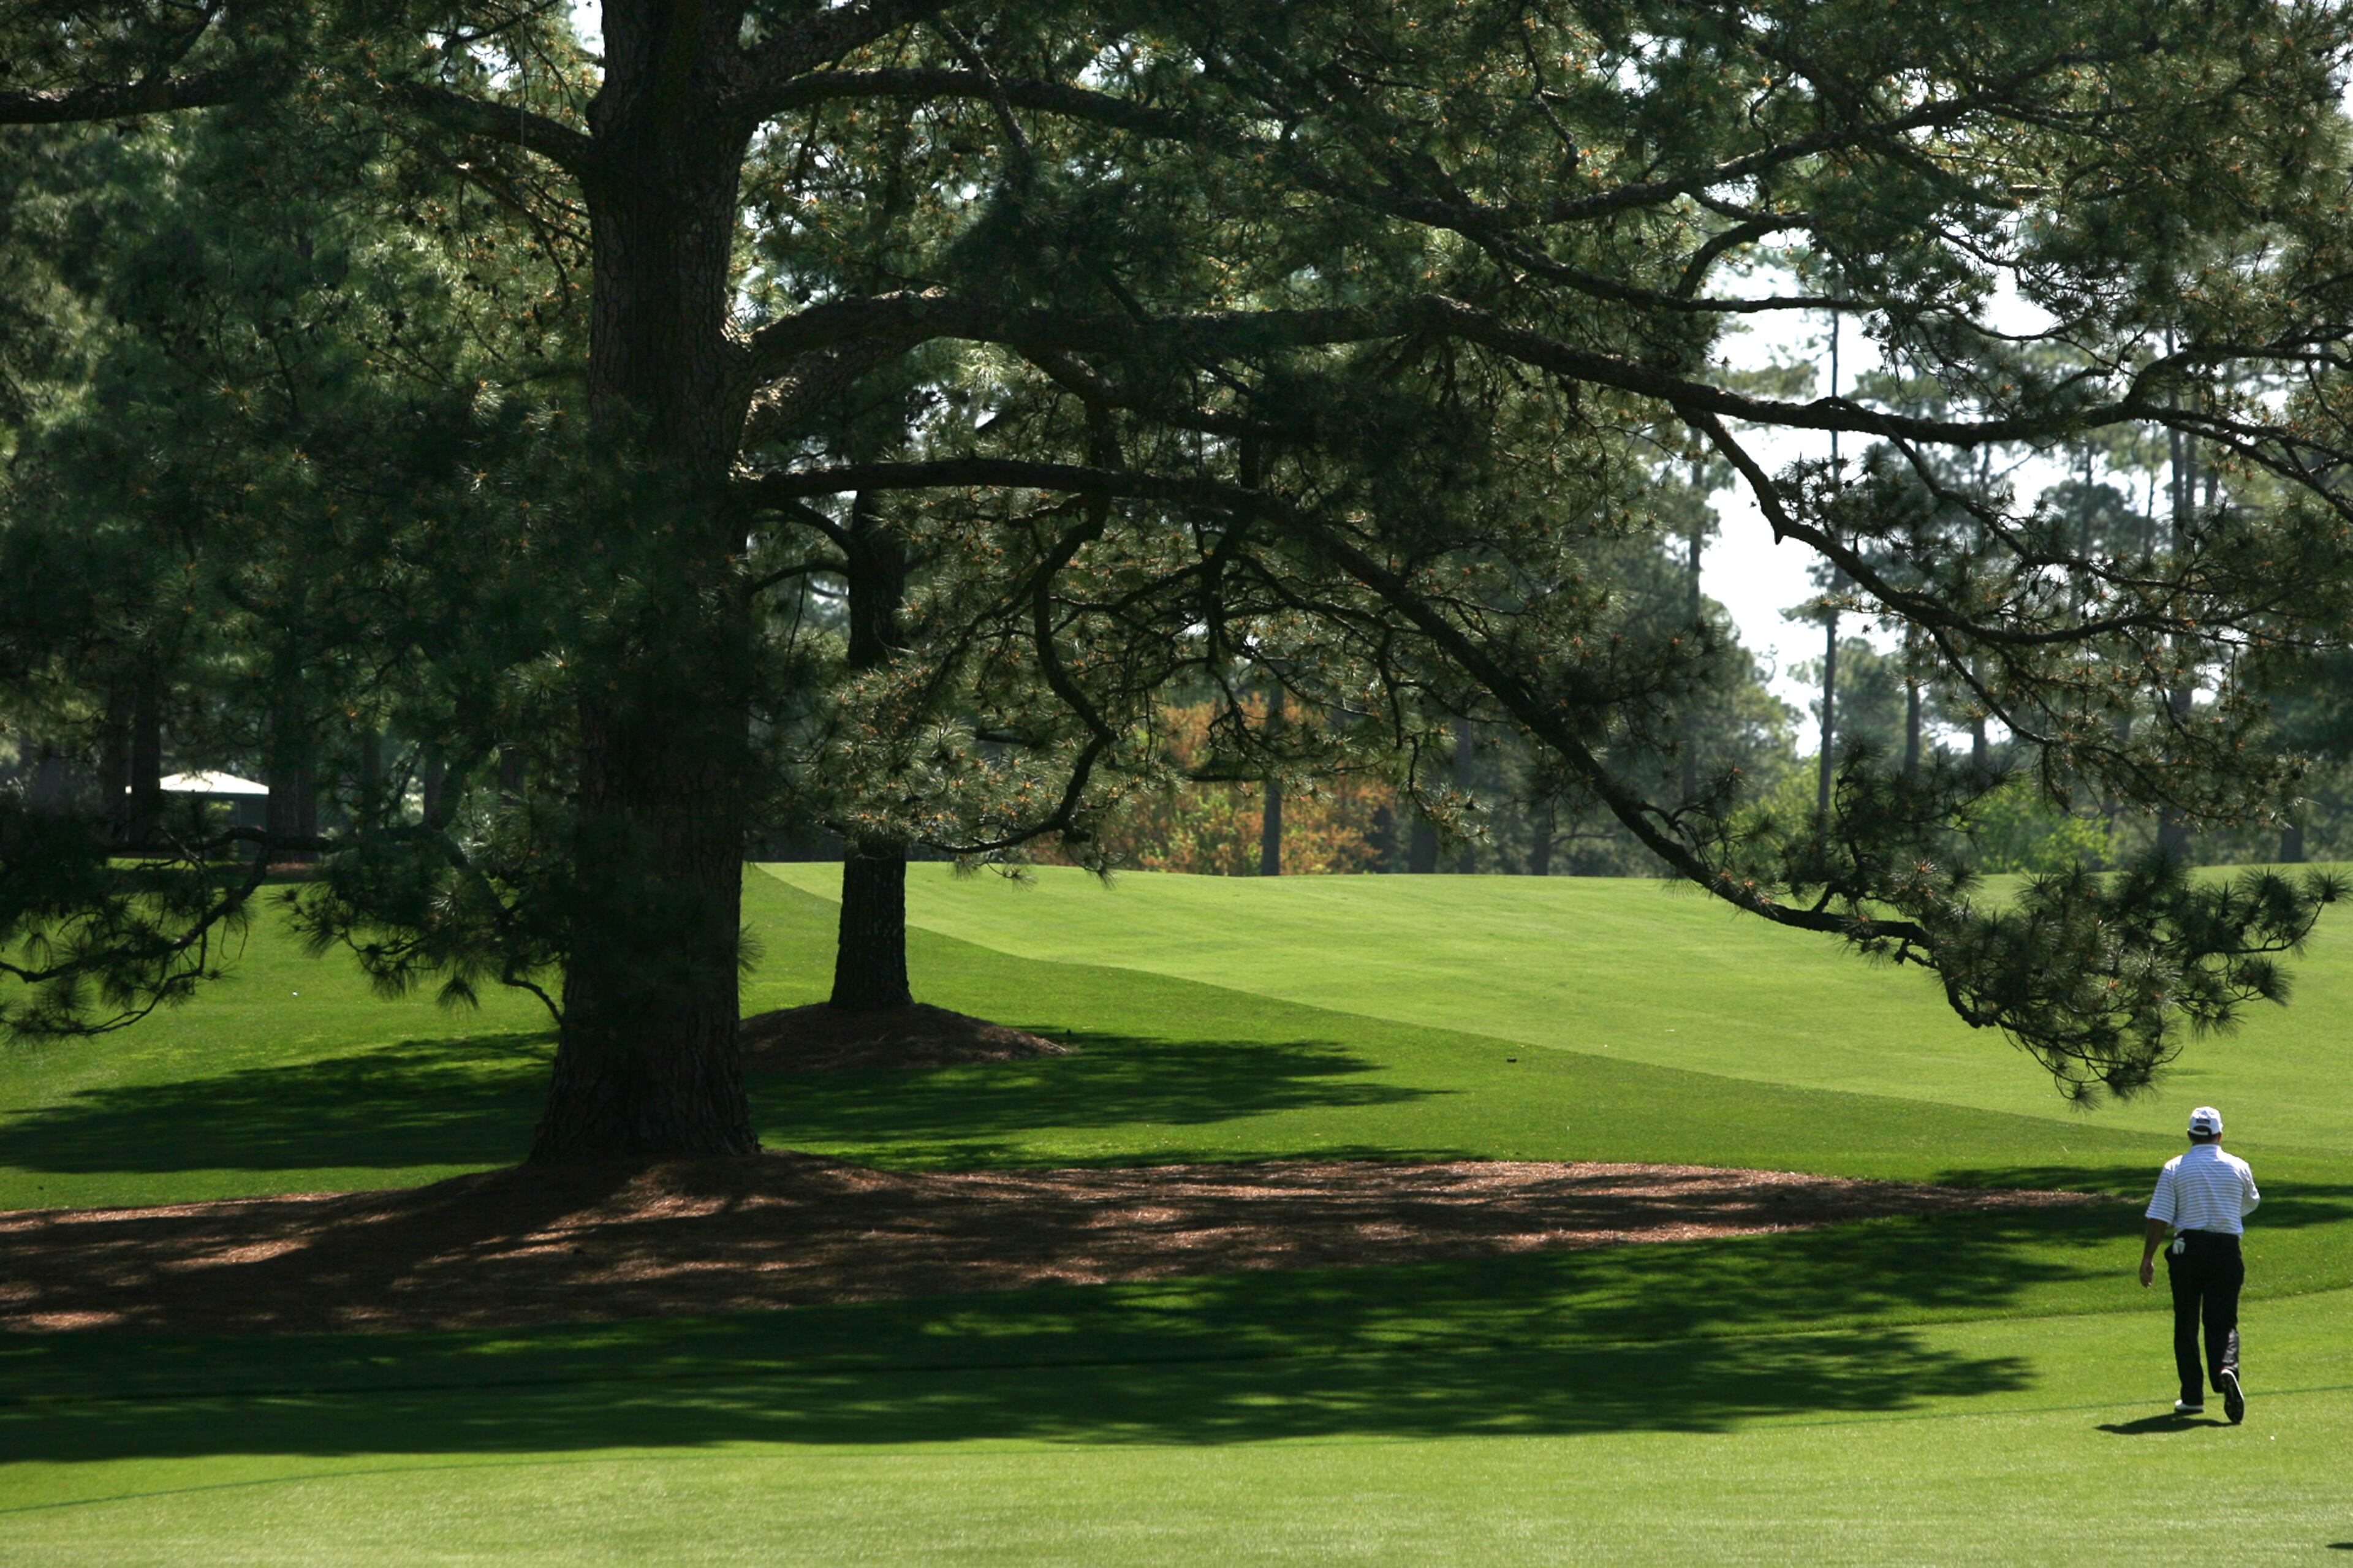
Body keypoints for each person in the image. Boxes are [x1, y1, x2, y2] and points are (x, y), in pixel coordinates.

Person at [2138, 1105, 2259, 1423]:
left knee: (2187, 1323)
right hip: (2227, 1250)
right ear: (2219, 1135)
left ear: (2191, 1134)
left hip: (2187, 1250)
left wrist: (2147, 1258)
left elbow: (2160, 1217)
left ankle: (2193, 1397)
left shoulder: (2176, 1168)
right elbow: (2250, 1203)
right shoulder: (2238, 1166)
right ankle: (2226, 1370)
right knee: (2223, 1322)